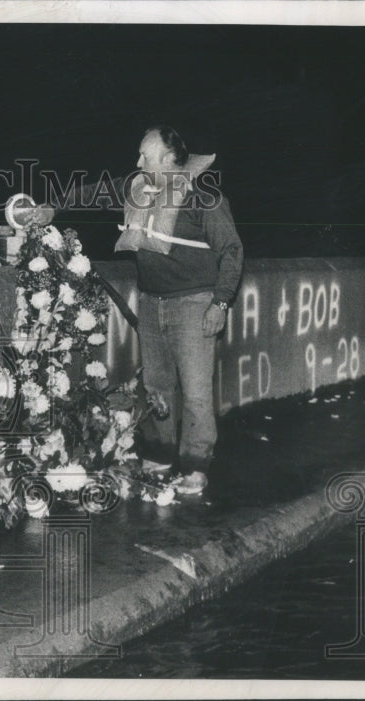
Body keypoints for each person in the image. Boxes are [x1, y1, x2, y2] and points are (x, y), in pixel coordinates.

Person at [123, 126, 243, 495]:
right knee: (156, 385)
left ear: (167, 159)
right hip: (150, 302)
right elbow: (93, 191)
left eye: (145, 156)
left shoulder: (205, 198)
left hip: (193, 305)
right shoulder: (139, 188)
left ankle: (195, 465)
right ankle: (159, 453)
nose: (137, 162)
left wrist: (220, 303)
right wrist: (51, 207)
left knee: (194, 391)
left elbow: (232, 253)